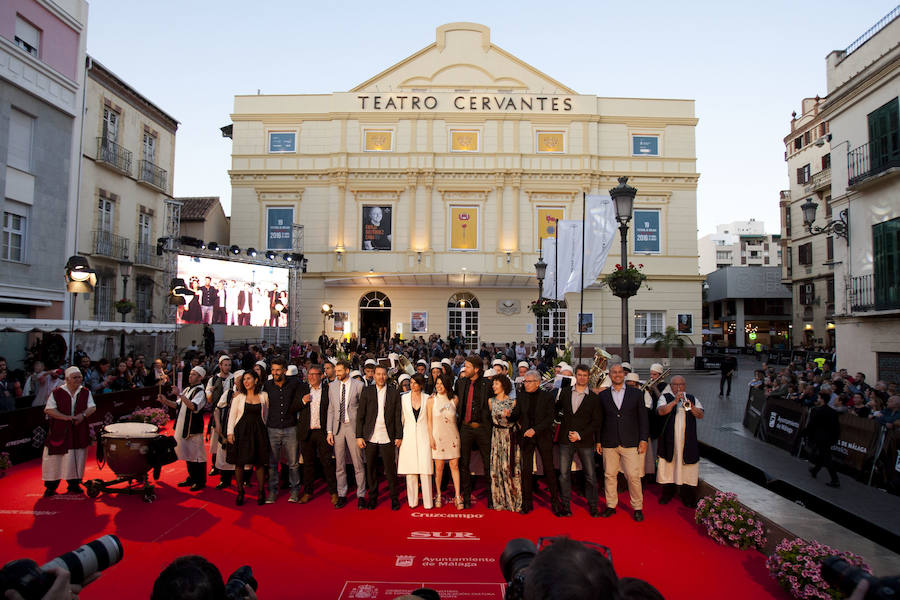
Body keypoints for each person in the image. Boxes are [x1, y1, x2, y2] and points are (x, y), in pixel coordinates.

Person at [597, 363, 649, 521]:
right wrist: (598, 441)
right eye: (614, 372)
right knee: (609, 475)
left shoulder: (636, 393)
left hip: (630, 441)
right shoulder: (603, 395)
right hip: (609, 441)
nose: (617, 375)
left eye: (620, 372)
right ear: (610, 375)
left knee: (633, 476)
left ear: (624, 374)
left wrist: (643, 439)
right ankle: (611, 505)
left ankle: (637, 507)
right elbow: (600, 420)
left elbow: (643, 419)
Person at [41, 367, 96, 496]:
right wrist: (65, 417)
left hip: (78, 429)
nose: (78, 380)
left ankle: (74, 484)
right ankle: (51, 486)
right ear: (67, 379)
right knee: (55, 458)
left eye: (80, 377)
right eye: (75, 377)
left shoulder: (85, 392)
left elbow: (92, 407)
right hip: (60, 431)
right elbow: (49, 409)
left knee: (77, 455)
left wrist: (82, 416)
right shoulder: (57, 392)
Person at [557, 364, 602, 517]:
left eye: (585, 375)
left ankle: (593, 505)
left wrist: (580, 434)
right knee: (564, 474)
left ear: (589, 377)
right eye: (580, 374)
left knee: (590, 475)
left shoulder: (594, 398)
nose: (582, 377)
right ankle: (566, 505)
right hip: (565, 439)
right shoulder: (564, 392)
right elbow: (556, 412)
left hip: (585, 440)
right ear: (575, 375)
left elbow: (596, 422)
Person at [356, 365, 402, 510]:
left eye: (383, 374)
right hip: (370, 436)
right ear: (373, 376)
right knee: (371, 469)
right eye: (378, 374)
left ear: (387, 376)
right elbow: (360, 416)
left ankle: (394, 498)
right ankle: (373, 497)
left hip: (388, 436)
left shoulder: (394, 392)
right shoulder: (367, 391)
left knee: (390, 470)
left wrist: (399, 436)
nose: (381, 377)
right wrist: (359, 436)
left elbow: (397, 416)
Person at [656, 375, 704, 506]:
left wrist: (691, 407)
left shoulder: (692, 398)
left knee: (688, 468)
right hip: (670, 441)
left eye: (681, 385)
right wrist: (674, 401)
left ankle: (687, 497)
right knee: (668, 467)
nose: (678, 387)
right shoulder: (665, 397)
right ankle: (667, 494)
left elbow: (701, 415)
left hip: (687, 441)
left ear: (685, 386)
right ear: (670, 386)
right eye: (675, 385)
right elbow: (661, 411)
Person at [158, 365, 208, 491]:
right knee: (187, 453)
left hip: (193, 427)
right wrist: (165, 401)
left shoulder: (200, 391)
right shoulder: (187, 390)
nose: (190, 376)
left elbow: (193, 407)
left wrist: (179, 394)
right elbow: (177, 405)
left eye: (194, 374)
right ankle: (192, 477)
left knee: (197, 455)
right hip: (184, 425)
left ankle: (200, 481)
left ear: (200, 377)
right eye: (190, 374)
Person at [262, 357, 305, 503]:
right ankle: (272, 491)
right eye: (273, 370)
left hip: (291, 427)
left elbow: (307, 387)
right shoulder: (267, 385)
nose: (275, 373)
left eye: (278, 370)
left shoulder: (294, 384)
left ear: (285, 371)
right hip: (272, 428)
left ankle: (294, 491)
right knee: (273, 463)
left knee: (293, 463)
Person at [517, 369, 560, 514]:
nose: (526, 384)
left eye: (528, 382)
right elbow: (517, 414)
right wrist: (510, 415)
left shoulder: (547, 397)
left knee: (549, 469)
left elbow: (550, 418)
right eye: (525, 381)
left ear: (537, 382)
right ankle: (527, 503)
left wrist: (535, 429)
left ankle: (555, 503)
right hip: (526, 437)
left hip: (542, 435)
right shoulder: (521, 396)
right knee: (526, 470)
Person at [454, 355, 493, 508]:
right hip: (464, 428)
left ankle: (491, 498)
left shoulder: (487, 384)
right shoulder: (460, 382)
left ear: (476, 369)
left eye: (468, 366)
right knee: (463, 463)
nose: (465, 369)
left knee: (487, 463)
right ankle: (467, 498)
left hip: (483, 428)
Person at [326, 359, 366, 509]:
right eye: (336, 371)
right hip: (337, 428)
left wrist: (361, 433)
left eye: (339, 371)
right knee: (339, 464)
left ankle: (361, 495)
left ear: (347, 371)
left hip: (353, 428)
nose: (337, 374)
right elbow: (331, 409)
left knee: (358, 463)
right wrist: (329, 431)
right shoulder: (332, 386)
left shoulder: (359, 386)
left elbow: (363, 411)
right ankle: (341, 494)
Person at [228, 370, 270, 505]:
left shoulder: (264, 396)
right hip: (241, 432)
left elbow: (266, 415)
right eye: (244, 379)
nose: (245, 382)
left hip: (259, 432)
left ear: (256, 380)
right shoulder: (238, 397)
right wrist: (230, 433)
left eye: (249, 379)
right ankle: (240, 492)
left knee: (259, 462)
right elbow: (232, 416)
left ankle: (261, 491)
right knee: (239, 463)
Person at [297, 364, 337, 504]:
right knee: (308, 464)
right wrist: (303, 401)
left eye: (315, 374)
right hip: (306, 432)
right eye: (309, 374)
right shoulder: (302, 389)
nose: (311, 377)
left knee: (327, 462)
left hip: (322, 431)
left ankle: (333, 492)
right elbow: (293, 407)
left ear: (321, 376)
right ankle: (308, 492)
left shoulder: (328, 390)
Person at [398, 373, 434, 509]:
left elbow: (431, 420)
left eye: (415, 383)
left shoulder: (428, 398)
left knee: (425, 470)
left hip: (424, 437)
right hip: (408, 437)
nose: (412, 385)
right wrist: (399, 437)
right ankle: (412, 501)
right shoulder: (403, 399)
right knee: (410, 471)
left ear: (421, 385)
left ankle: (428, 503)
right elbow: (401, 419)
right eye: (411, 383)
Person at [428, 373, 462, 509]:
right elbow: (429, 422)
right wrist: (431, 437)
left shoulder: (454, 399)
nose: (439, 386)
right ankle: (438, 494)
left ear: (447, 384)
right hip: (438, 437)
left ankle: (458, 496)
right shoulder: (431, 400)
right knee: (439, 467)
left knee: (454, 466)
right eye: (437, 384)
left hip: (453, 436)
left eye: (441, 383)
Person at [489, 374, 522, 512]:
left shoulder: (513, 402)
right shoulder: (491, 401)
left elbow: (518, 422)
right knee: (496, 470)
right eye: (493, 384)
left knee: (509, 469)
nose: (493, 386)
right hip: (496, 437)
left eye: (496, 384)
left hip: (509, 438)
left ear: (503, 385)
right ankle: (499, 500)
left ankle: (513, 500)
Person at [804, 388, 841, 488]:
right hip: (829, 438)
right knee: (823, 455)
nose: (817, 399)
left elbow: (812, 425)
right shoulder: (833, 412)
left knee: (826, 458)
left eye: (819, 398)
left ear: (822, 399)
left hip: (820, 437)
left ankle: (835, 479)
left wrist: (808, 435)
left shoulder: (817, 410)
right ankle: (815, 470)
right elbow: (837, 427)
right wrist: (835, 438)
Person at [205, 355, 234, 478]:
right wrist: (210, 392)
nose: (227, 367)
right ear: (220, 365)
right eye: (225, 365)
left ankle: (229, 466)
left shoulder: (234, 378)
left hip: (229, 414)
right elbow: (209, 400)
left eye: (229, 365)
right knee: (215, 441)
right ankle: (215, 466)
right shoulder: (213, 379)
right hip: (216, 412)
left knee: (227, 440)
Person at [213, 370, 241, 489]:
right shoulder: (228, 393)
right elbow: (217, 409)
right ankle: (224, 479)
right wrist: (218, 425)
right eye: (240, 380)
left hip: (240, 429)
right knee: (224, 453)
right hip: (226, 426)